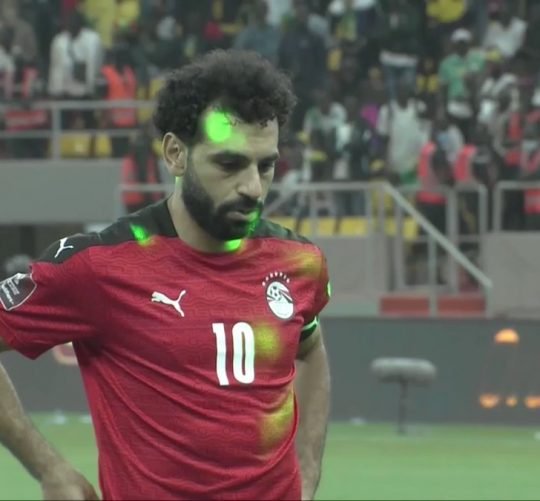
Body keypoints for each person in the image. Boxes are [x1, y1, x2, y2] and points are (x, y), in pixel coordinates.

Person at [0, 50, 331, 500]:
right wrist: (48, 468)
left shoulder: (299, 262)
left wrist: (307, 468)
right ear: (176, 154)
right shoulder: (100, 266)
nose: (253, 187)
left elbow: (311, 349)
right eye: (229, 164)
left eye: (265, 165)